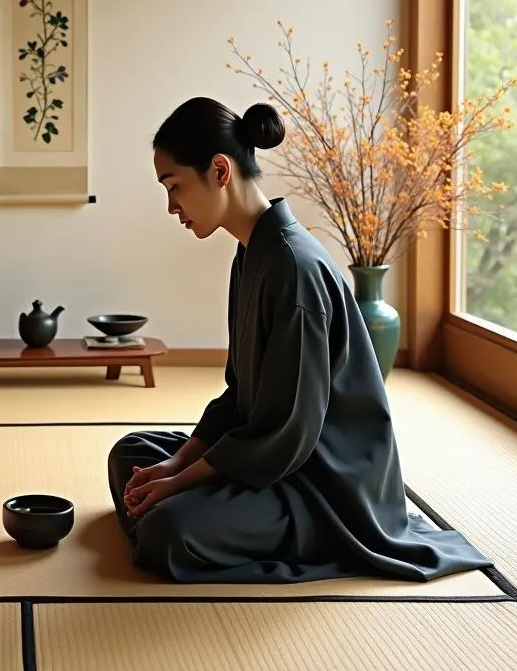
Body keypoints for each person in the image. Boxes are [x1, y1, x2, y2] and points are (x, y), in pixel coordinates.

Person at [107, 96, 492, 584]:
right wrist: (177, 464)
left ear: (219, 172)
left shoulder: (294, 268)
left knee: (168, 528)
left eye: (174, 186)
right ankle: (181, 511)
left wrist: (180, 482)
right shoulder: (251, 255)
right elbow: (238, 396)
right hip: (268, 459)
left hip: (320, 486)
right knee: (132, 452)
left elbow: (288, 432)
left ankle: (176, 522)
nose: (171, 207)